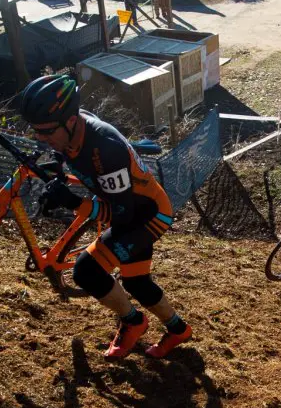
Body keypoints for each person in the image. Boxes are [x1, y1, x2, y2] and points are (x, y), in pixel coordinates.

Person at [20, 74, 191, 359]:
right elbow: (78, 157)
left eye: (47, 131)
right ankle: (178, 330)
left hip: (146, 214)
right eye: (36, 131)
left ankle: (133, 322)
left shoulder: (105, 149)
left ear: (70, 121)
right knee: (136, 282)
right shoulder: (74, 127)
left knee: (86, 271)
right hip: (136, 205)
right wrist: (61, 166)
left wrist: (74, 202)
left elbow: (121, 217)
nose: (41, 138)